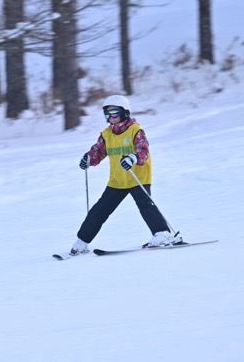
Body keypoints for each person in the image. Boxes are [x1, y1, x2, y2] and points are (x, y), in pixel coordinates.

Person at [69, 94, 182, 256]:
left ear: (125, 112)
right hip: (117, 181)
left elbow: (143, 150)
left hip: (138, 177)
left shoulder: (135, 130)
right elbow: (98, 151)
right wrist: (88, 159)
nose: (111, 116)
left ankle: (162, 234)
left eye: (114, 112)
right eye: (107, 113)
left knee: (146, 206)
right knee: (99, 210)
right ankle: (82, 242)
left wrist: (133, 158)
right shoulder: (107, 134)